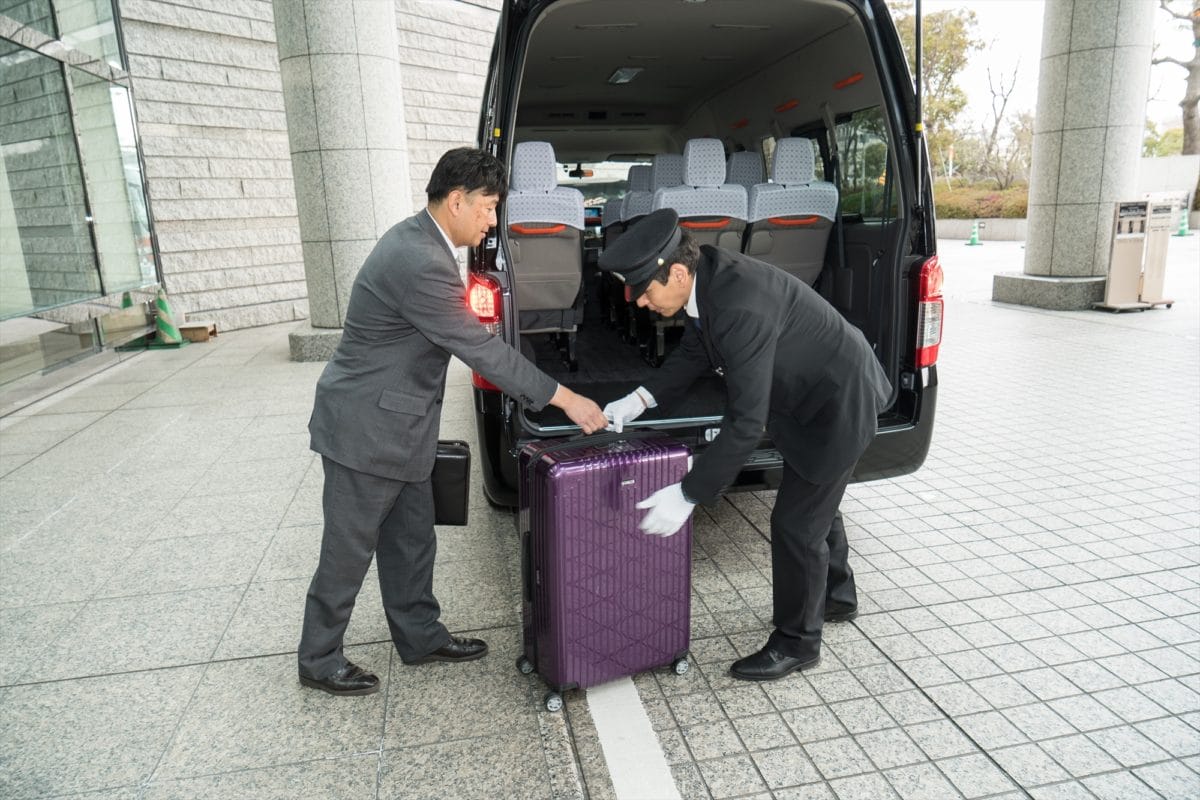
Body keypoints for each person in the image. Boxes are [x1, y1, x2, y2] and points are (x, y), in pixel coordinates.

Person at [298, 147, 608, 696]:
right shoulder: (419, 260)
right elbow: (479, 348)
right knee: (348, 551)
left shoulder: (423, 242)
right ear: (457, 200)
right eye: (489, 207)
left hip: (401, 425)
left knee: (413, 539)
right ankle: (319, 659)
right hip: (365, 431)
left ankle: (420, 636)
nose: (493, 220)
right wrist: (565, 398)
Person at [599, 208, 890, 682]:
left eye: (645, 292)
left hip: (839, 401)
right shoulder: (706, 275)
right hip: (805, 398)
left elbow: (745, 423)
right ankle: (836, 597)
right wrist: (640, 398)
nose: (640, 304)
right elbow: (698, 349)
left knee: (796, 524)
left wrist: (689, 492)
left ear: (675, 271)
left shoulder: (739, 303)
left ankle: (798, 642)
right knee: (816, 501)